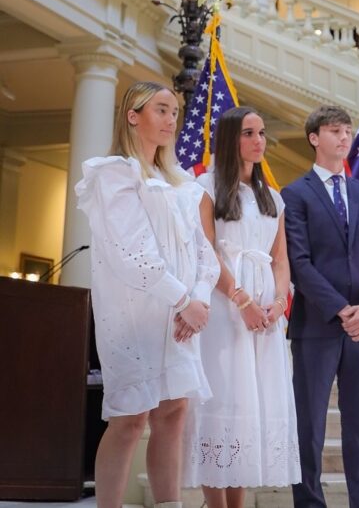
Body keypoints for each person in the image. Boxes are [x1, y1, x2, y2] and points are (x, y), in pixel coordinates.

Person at [75, 81, 216, 508]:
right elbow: (130, 252)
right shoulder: (115, 173)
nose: (172, 119)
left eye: (175, 111)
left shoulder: (180, 184)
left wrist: (200, 300)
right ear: (133, 115)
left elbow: (204, 254)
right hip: (135, 314)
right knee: (130, 418)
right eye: (161, 110)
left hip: (181, 316)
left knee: (174, 414)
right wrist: (183, 300)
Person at [182, 107, 300, 504]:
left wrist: (279, 302)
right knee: (224, 404)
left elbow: (280, 257)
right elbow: (206, 251)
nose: (259, 140)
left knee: (252, 408)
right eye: (249, 133)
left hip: (266, 316)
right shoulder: (207, 187)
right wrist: (242, 299)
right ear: (231, 139)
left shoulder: (274, 198)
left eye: (263, 133)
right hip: (225, 311)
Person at [282, 105, 359, 508]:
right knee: (308, 426)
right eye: (334, 130)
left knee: (358, 427)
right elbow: (299, 262)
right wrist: (342, 309)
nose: (344, 137)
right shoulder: (294, 195)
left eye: (347, 130)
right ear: (314, 138)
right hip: (316, 326)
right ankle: (309, 503)